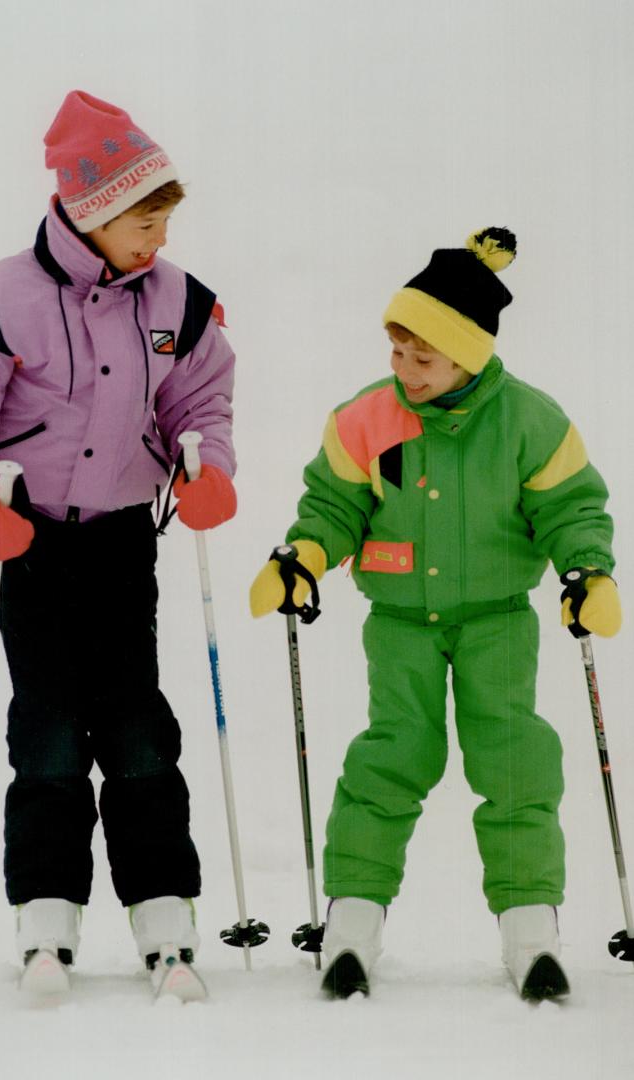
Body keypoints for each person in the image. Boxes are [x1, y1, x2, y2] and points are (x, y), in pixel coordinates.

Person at [0, 90, 237, 994]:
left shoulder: (179, 302)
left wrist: (203, 471)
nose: (157, 242)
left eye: (165, 221)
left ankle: (163, 909)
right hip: (30, 542)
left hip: (124, 540)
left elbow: (197, 403)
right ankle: (46, 916)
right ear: (91, 212)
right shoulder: (0, 300)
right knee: (48, 727)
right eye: (143, 223)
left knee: (137, 723)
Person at [250, 227, 622, 1000]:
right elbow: (333, 505)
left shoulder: (529, 420)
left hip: (496, 619)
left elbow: (570, 508)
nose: (403, 371)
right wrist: (306, 556)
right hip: (398, 623)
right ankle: (352, 918)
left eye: (422, 358)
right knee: (391, 756)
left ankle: (530, 927)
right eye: (395, 352)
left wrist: (586, 570)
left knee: (513, 756)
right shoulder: (363, 417)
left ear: (469, 353)